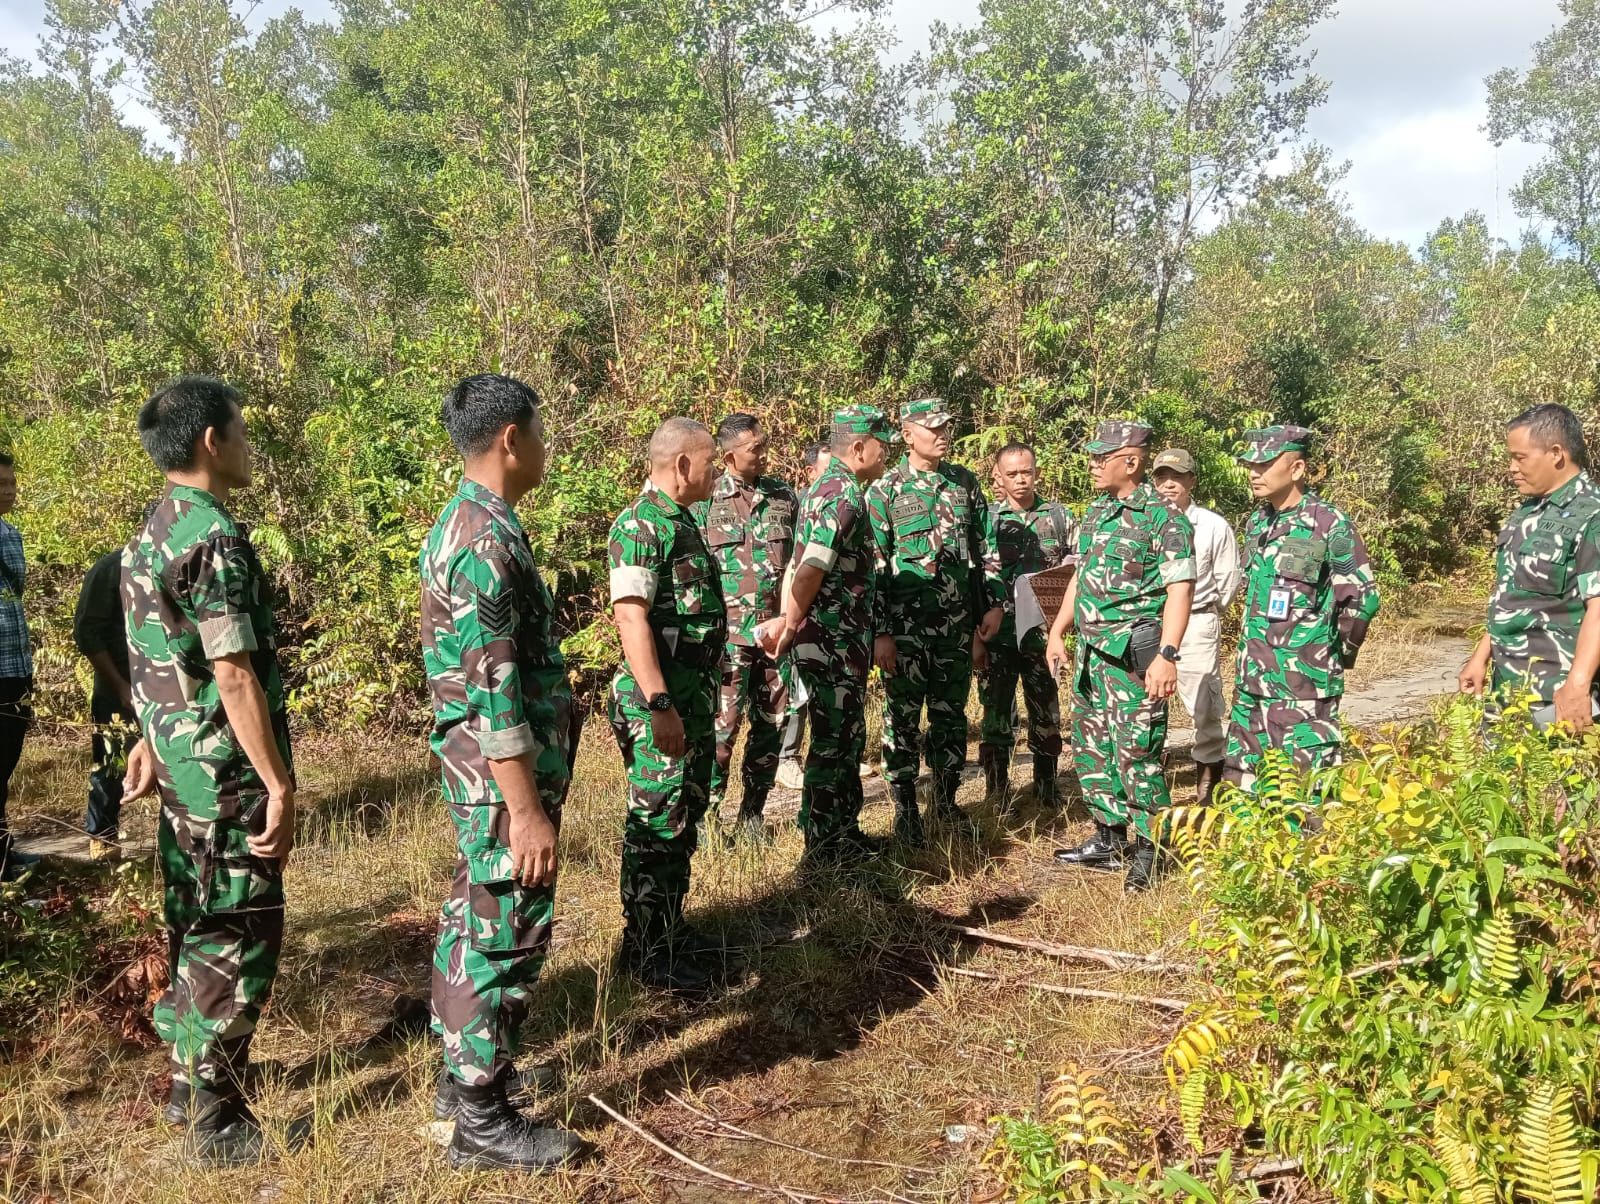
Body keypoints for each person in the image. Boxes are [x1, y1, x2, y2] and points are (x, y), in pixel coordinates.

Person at [118, 377, 296, 1166]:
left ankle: (188, 1086)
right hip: (223, 776)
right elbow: (230, 671)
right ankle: (216, 1122)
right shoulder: (211, 538)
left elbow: (154, 655)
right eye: (242, 432)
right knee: (238, 934)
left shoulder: (150, 531)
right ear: (210, 443)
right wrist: (279, 783)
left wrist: (151, 739)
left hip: (180, 772)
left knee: (194, 927)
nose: (249, 445)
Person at [418, 374, 591, 1172]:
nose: (546, 448)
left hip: (483, 770)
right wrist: (525, 812)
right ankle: (482, 1123)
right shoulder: (485, 539)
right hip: (498, 778)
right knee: (501, 932)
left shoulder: (468, 521)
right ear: (511, 439)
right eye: (541, 431)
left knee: (476, 916)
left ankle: (466, 1080)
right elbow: (494, 692)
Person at [1047, 420, 1194, 892]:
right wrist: (1058, 632)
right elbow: (1080, 577)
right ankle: (1109, 838)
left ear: (1130, 461)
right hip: (1092, 654)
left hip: (1134, 653)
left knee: (1137, 753)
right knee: (1093, 750)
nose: (1091, 465)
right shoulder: (1097, 512)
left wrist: (1168, 655)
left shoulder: (1164, 518)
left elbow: (1180, 588)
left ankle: (1152, 850)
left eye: (1100, 457)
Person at [607, 417, 726, 993]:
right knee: (657, 821)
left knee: (684, 816)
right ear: (682, 465)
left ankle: (671, 926)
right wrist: (658, 703)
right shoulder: (639, 526)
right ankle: (646, 950)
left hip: (691, 699)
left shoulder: (683, 522)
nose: (717, 471)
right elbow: (630, 617)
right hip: (659, 703)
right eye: (710, 461)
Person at [759, 406, 896, 868]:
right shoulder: (841, 494)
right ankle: (820, 850)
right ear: (858, 448)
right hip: (832, 642)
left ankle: (844, 832)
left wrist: (787, 617)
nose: (887, 453)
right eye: (883, 444)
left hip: (840, 640)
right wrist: (791, 623)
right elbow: (811, 569)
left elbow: (798, 563)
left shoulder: (824, 488)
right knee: (833, 742)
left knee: (847, 736)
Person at [866, 398, 1003, 845]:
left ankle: (946, 799)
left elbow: (986, 552)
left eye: (947, 427)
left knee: (950, 716)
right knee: (902, 718)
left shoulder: (963, 482)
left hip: (956, 627)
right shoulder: (885, 490)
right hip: (904, 632)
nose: (943, 435)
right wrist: (881, 631)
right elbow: (874, 567)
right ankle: (906, 806)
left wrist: (993, 606)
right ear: (908, 435)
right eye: (933, 428)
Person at [1227, 425, 1380, 791]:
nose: (1253, 472)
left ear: (1296, 469)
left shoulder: (1328, 523)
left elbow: (1361, 597)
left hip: (1304, 687)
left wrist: (1329, 656)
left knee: (1304, 791)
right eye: (1250, 464)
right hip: (1252, 683)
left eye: (1264, 465)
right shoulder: (1258, 522)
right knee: (1244, 787)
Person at [1459, 404, 1600, 728]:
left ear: (1555, 453)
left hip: (1558, 697)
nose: (1511, 467)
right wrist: (1481, 656)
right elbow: (1512, 593)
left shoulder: (1592, 515)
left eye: (1520, 457)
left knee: (1557, 780)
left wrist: (1577, 685)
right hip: (1506, 691)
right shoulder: (1527, 512)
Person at [694, 414, 797, 839]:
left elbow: (795, 563)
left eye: (764, 444)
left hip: (774, 638)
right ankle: (709, 816)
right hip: (728, 640)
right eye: (755, 448)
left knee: (772, 726)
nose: (764, 453)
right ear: (729, 453)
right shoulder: (705, 501)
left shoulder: (783, 497)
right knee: (722, 728)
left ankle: (753, 812)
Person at [978, 442, 1076, 813]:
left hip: (1043, 637)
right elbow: (976, 578)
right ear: (998, 477)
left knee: (1046, 714)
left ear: (1036, 472)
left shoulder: (1059, 517)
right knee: (996, 715)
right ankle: (997, 790)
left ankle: (1047, 787)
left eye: (1027, 472)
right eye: (1012, 473)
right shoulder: (987, 520)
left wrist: (1063, 630)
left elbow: (1076, 571)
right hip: (999, 639)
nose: (1021, 479)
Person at [1151, 448, 1240, 806]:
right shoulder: (1145, 521)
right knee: (1148, 702)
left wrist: (1206, 612)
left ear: (1191, 481)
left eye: (1177, 477)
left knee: (1204, 702)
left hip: (1198, 619)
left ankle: (1208, 782)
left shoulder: (1212, 525)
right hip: (1151, 621)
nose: (1169, 484)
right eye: (1161, 477)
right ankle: (1153, 772)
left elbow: (1228, 578)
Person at [74, 544, 141, 859]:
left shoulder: (176, 562)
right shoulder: (110, 569)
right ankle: (103, 840)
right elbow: (87, 634)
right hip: (116, 685)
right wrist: (120, 685)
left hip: (165, 688)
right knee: (111, 762)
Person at [776, 440, 832, 790]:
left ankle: (820, 757)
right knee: (793, 689)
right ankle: (787, 757)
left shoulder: (833, 503)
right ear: (810, 472)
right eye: (827, 469)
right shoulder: (800, 503)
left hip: (823, 615)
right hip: (789, 607)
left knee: (818, 691)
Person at [0, 450, 38, 882]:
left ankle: (5, 853)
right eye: (1, 484)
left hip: (15, 668)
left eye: (11, 482)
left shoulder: (12, 533)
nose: (8, 490)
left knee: (7, 761)